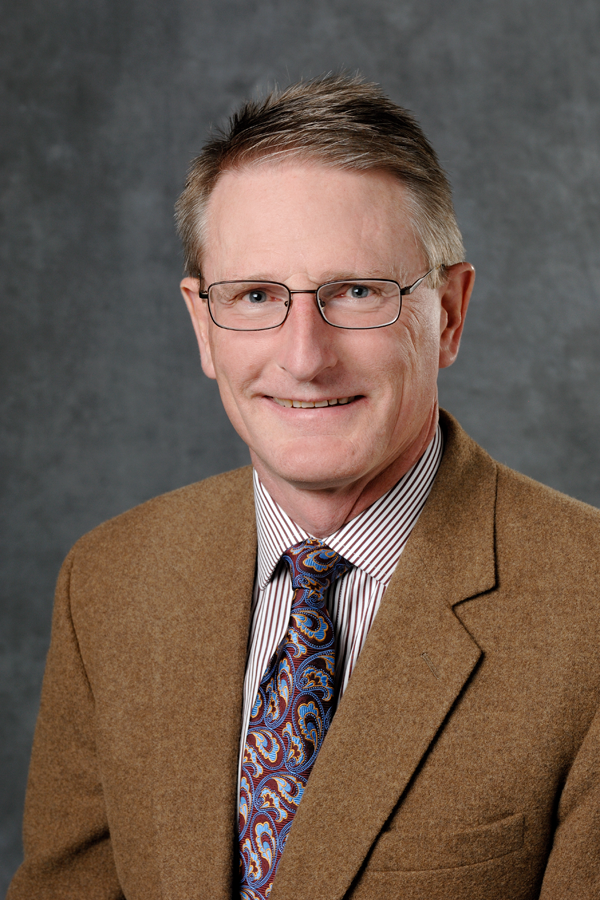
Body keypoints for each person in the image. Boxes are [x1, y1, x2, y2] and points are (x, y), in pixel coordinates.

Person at [8, 75, 600, 900]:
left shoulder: (587, 609)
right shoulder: (109, 583)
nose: (304, 358)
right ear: (202, 325)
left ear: (449, 313)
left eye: (356, 292)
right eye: (255, 296)